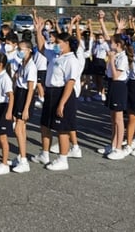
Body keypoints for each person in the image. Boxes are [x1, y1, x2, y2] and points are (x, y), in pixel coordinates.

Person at [32, 16, 79, 171]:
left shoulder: (71, 60)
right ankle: (44, 154)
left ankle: (63, 159)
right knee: (45, 125)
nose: (56, 45)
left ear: (67, 44)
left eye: (59, 43)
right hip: (50, 92)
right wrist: (38, 31)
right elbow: (41, 48)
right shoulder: (55, 55)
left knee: (62, 129)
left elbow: (70, 83)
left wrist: (62, 103)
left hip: (62, 94)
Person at [97, 33, 130, 160]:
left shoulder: (123, 57)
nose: (110, 45)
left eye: (112, 42)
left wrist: (111, 60)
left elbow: (116, 76)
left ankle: (118, 148)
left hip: (119, 86)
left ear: (118, 45)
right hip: (111, 84)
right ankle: (112, 144)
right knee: (112, 118)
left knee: (119, 119)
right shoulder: (115, 55)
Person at [10, 40, 37, 173]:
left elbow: (31, 89)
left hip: (25, 95)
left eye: (21, 49)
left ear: (29, 50)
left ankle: (24, 161)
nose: (19, 51)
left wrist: (26, 108)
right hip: (19, 93)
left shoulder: (31, 66)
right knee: (22, 129)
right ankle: (21, 155)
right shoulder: (22, 64)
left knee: (18, 129)